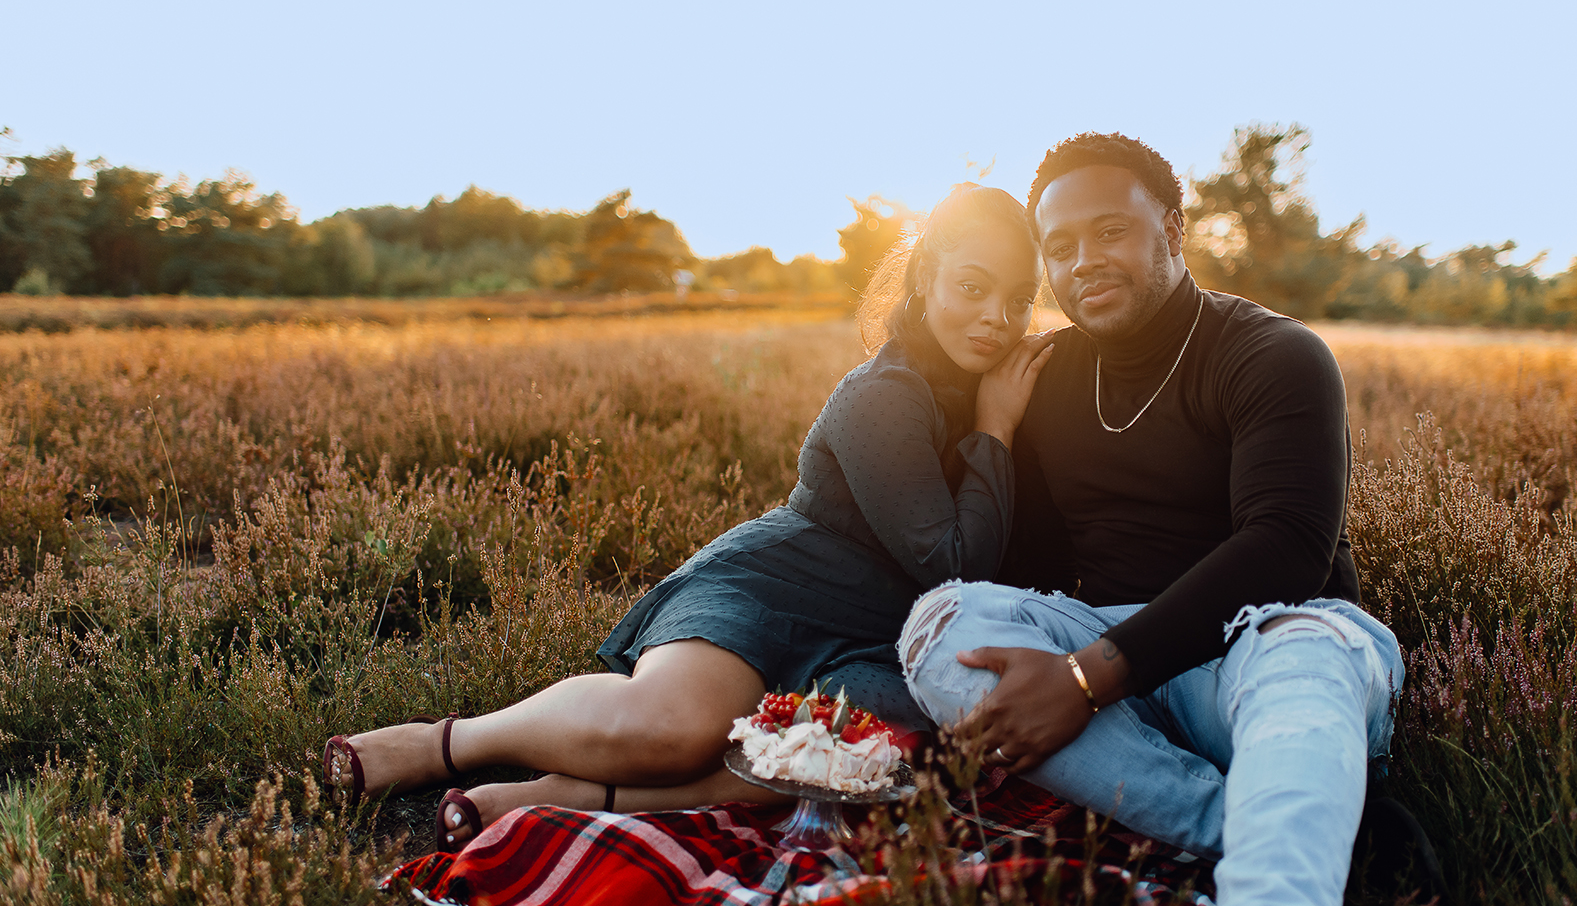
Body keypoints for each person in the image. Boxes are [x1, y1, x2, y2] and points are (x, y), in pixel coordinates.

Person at [898, 135, 1421, 906]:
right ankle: (1279, 822)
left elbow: (1286, 550)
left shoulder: (1275, 353)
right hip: (1123, 660)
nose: (1082, 260)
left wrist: (1086, 680)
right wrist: (995, 435)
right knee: (942, 623)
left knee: (1306, 649)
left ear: (1172, 230)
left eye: (1111, 231)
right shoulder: (1052, 375)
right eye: (1059, 245)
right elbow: (1030, 570)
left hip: (1265, 647)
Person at [325, 184, 1053, 850]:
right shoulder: (885, 394)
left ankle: (576, 795)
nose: (996, 316)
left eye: (1017, 299)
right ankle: (451, 744)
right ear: (926, 281)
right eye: (971, 287)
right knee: (677, 731)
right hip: (773, 592)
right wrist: (994, 430)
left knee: (878, 752)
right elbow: (953, 567)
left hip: (871, 640)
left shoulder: (996, 381)